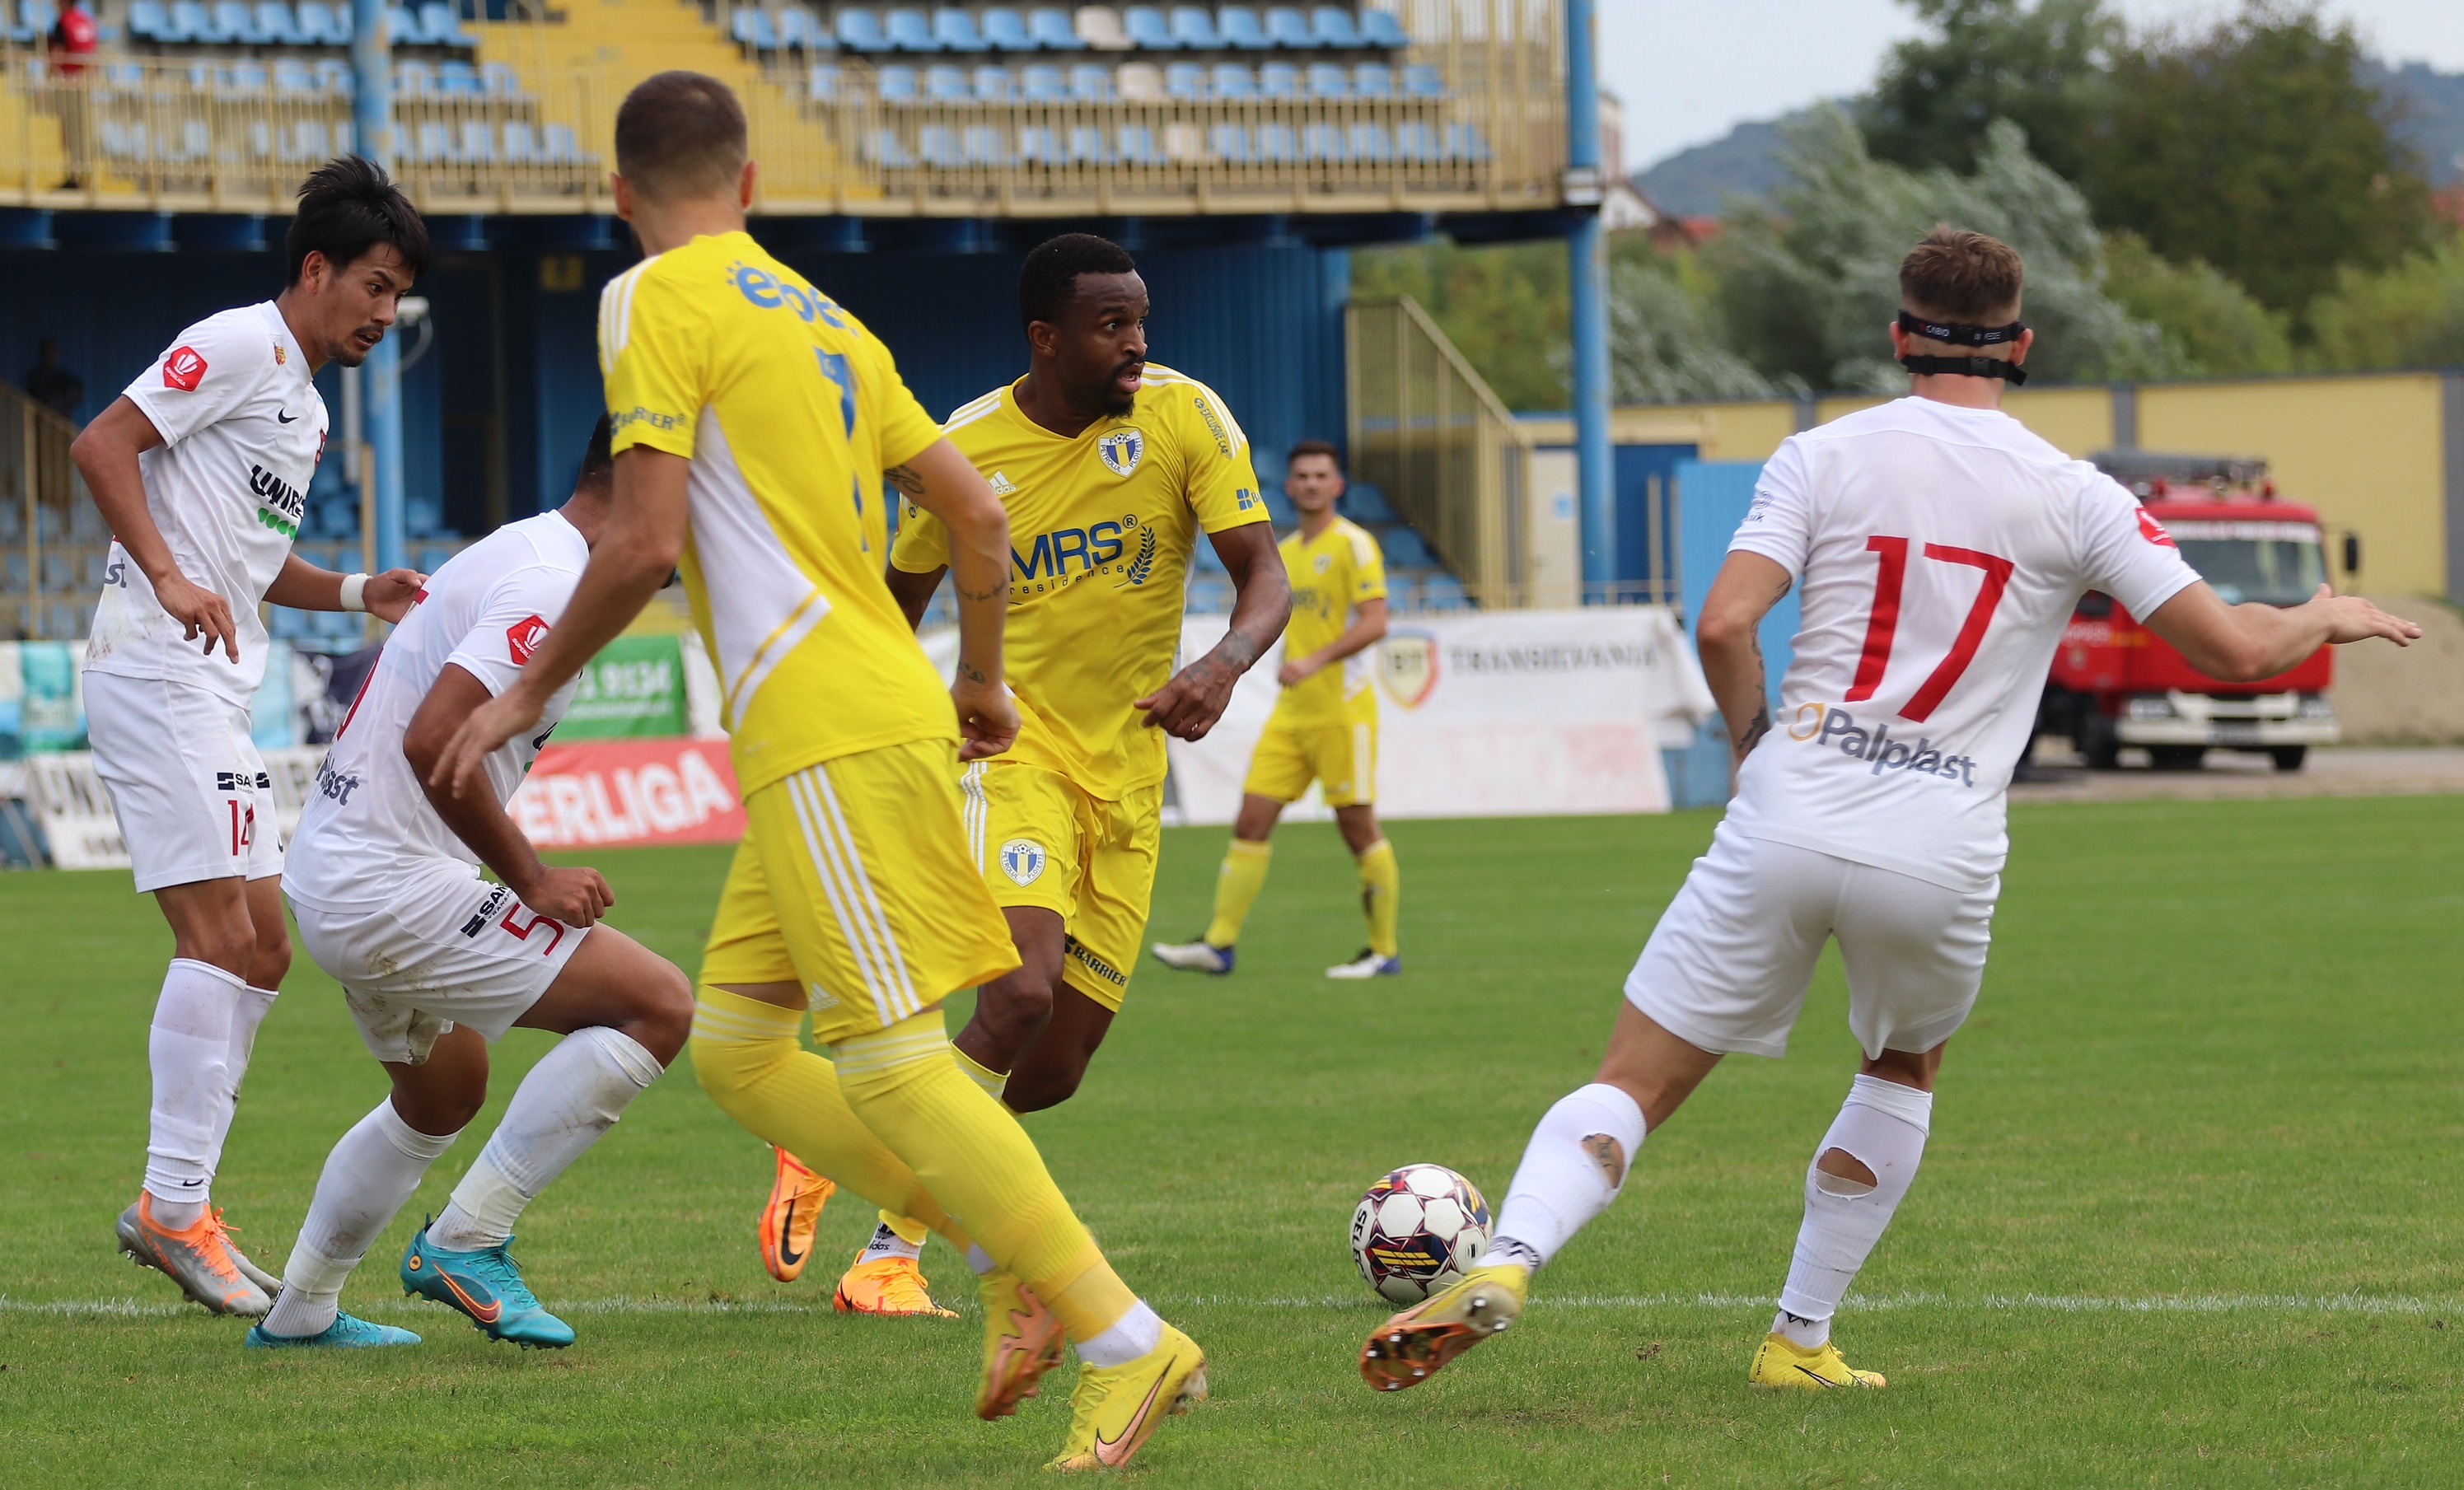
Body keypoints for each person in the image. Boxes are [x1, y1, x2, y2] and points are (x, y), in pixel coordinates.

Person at [1356, 227, 2422, 1395]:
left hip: (1788, 809)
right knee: (1898, 1066)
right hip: (1939, 842)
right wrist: (2320, 614)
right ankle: (1796, 1339)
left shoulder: (1820, 456)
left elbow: (1718, 625)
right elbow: (2231, 650)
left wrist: (1751, 744)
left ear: (1896, 335)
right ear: (2019, 343)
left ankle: (1507, 1257)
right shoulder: (2077, 493)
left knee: (1639, 1075)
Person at [429, 74, 1209, 1469]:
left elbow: (644, 537)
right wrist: (976, 676)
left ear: (620, 197)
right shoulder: (830, 320)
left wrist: (523, 697)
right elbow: (975, 505)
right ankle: (1006, 1262)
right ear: (750, 185)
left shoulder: (651, 296)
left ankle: (1120, 1330)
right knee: (734, 1044)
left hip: (823, 728)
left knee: (897, 1059)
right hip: (873, 709)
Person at [767, 231, 1292, 1318]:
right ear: (1044, 338)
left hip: (1130, 775)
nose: (1136, 347)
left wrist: (1223, 663)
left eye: (1141, 322)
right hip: (1013, 758)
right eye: (1112, 328)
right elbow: (890, 609)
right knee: (1014, 990)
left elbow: (1263, 577)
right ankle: (885, 1260)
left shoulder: (1186, 417)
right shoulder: (963, 449)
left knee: (1049, 1069)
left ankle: (846, 1137)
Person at [71, 156, 428, 1319]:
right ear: (316, 270)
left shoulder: (305, 402)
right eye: (372, 286)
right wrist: (166, 575)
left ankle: (183, 1203)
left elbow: (259, 570)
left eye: (397, 295)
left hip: (211, 683)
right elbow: (100, 445)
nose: (384, 313)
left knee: (262, 944)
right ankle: (174, 1208)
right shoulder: (235, 342)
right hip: (159, 669)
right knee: (225, 935)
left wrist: (357, 589)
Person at [255, 417, 690, 1350]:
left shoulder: (523, 550)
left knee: (443, 1094)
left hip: (341, 872)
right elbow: (432, 736)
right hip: (387, 887)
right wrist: (529, 878)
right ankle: (468, 1242)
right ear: (644, 479)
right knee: (658, 1006)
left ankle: (300, 1313)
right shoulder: (551, 577)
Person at [1153, 438, 1398, 979]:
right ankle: (1219, 944)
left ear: (1337, 486)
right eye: (1301, 476)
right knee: (1250, 819)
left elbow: (1376, 621)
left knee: (1356, 826)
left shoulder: (1354, 544)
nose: (1310, 483)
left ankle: (1382, 950)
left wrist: (1316, 660)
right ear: (1288, 488)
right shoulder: (1284, 553)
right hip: (1290, 714)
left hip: (1342, 712)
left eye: (1320, 475)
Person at [26, 336, 84, 421]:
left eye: (53, 351)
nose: (51, 354)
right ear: (43, 353)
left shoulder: (65, 378)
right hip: (42, 423)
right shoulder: (35, 377)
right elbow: (38, 398)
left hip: (62, 424)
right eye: (48, 351)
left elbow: (77, 395)